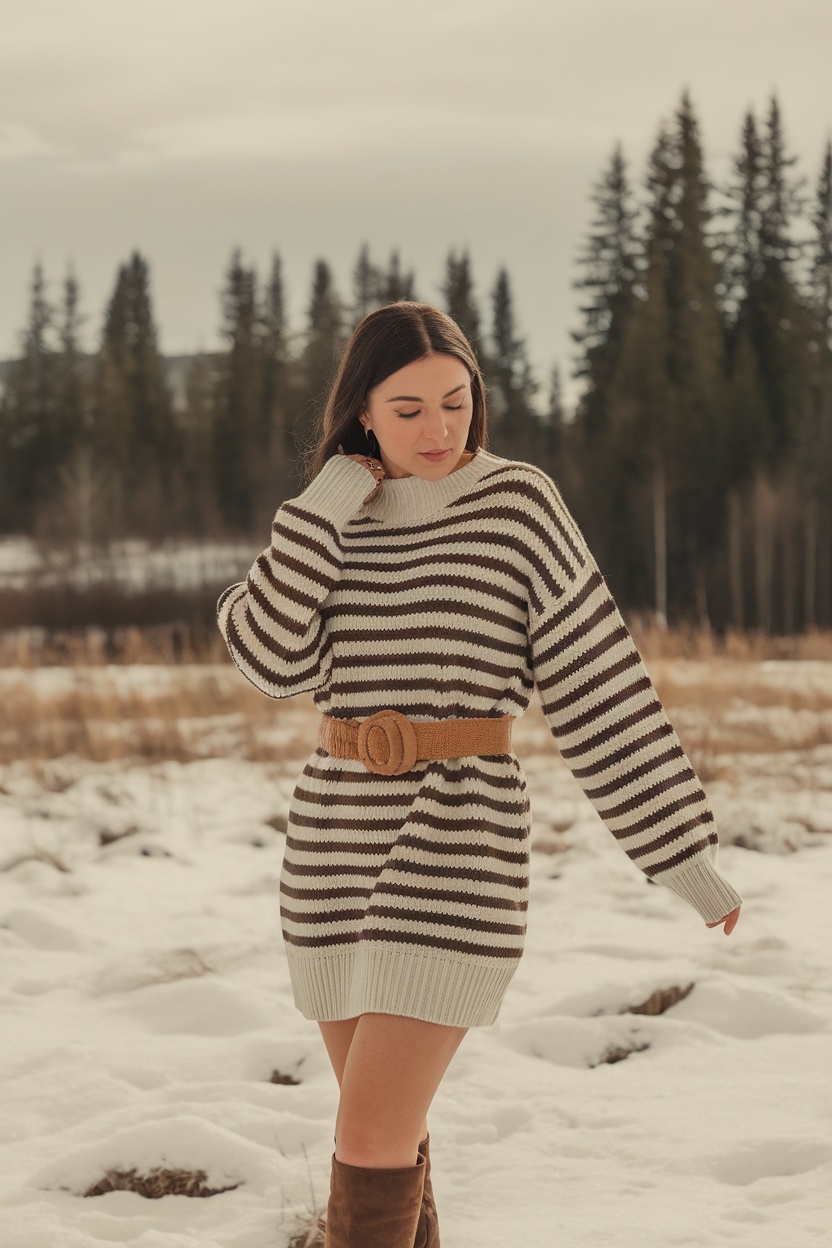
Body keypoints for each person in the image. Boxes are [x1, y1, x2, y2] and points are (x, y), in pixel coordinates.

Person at [216, 301, 742, 1248]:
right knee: (389, 1133)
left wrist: (682, 856)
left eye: (455, 402)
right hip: (334, 846)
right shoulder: (336, 518)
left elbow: (600, 687)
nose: (439, 428)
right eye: (408, 408)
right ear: (363, 412)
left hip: (458, 838)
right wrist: (323, 508)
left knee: (370, 1129)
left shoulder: (517, 506)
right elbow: (267, 659)